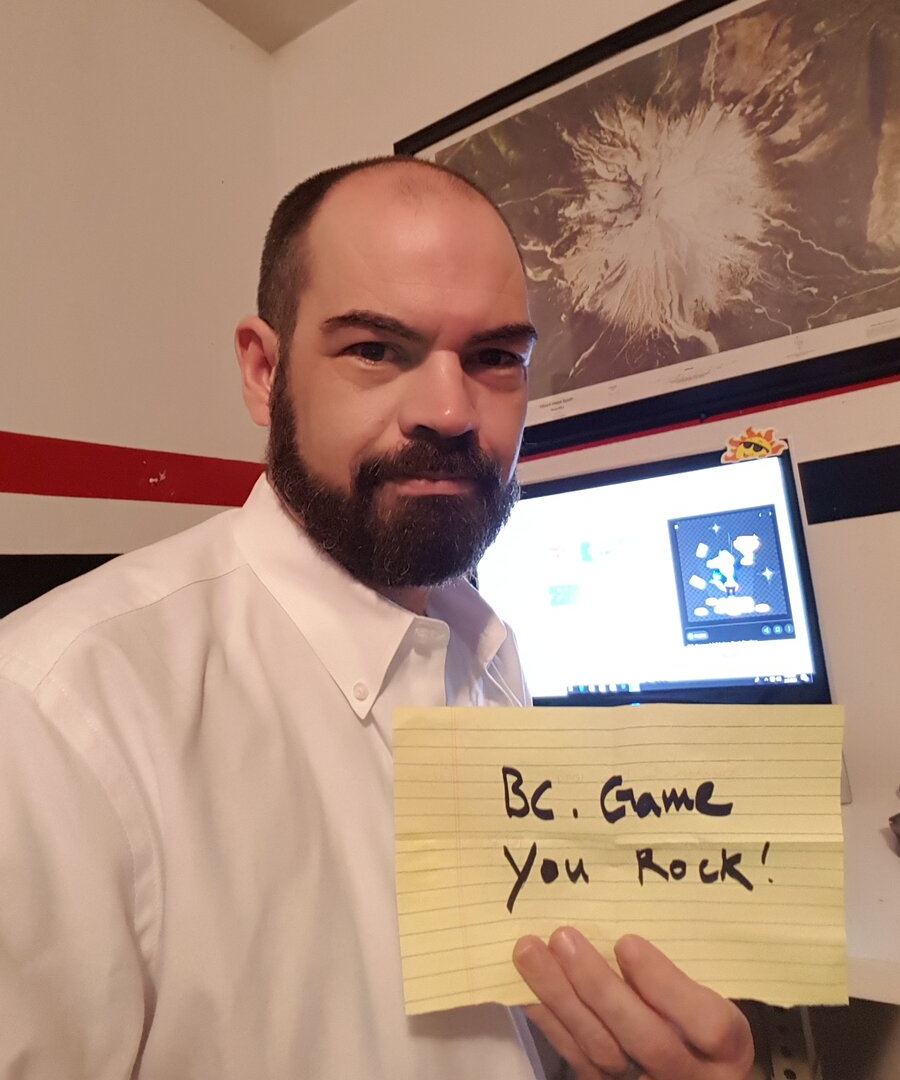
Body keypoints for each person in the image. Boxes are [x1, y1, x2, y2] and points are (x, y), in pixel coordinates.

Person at [0, 156, 754, 1080]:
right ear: (264, 371)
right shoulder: (57, 720)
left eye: (495, 358)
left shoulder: (487, 649)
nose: (449, 411)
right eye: (375, 349)